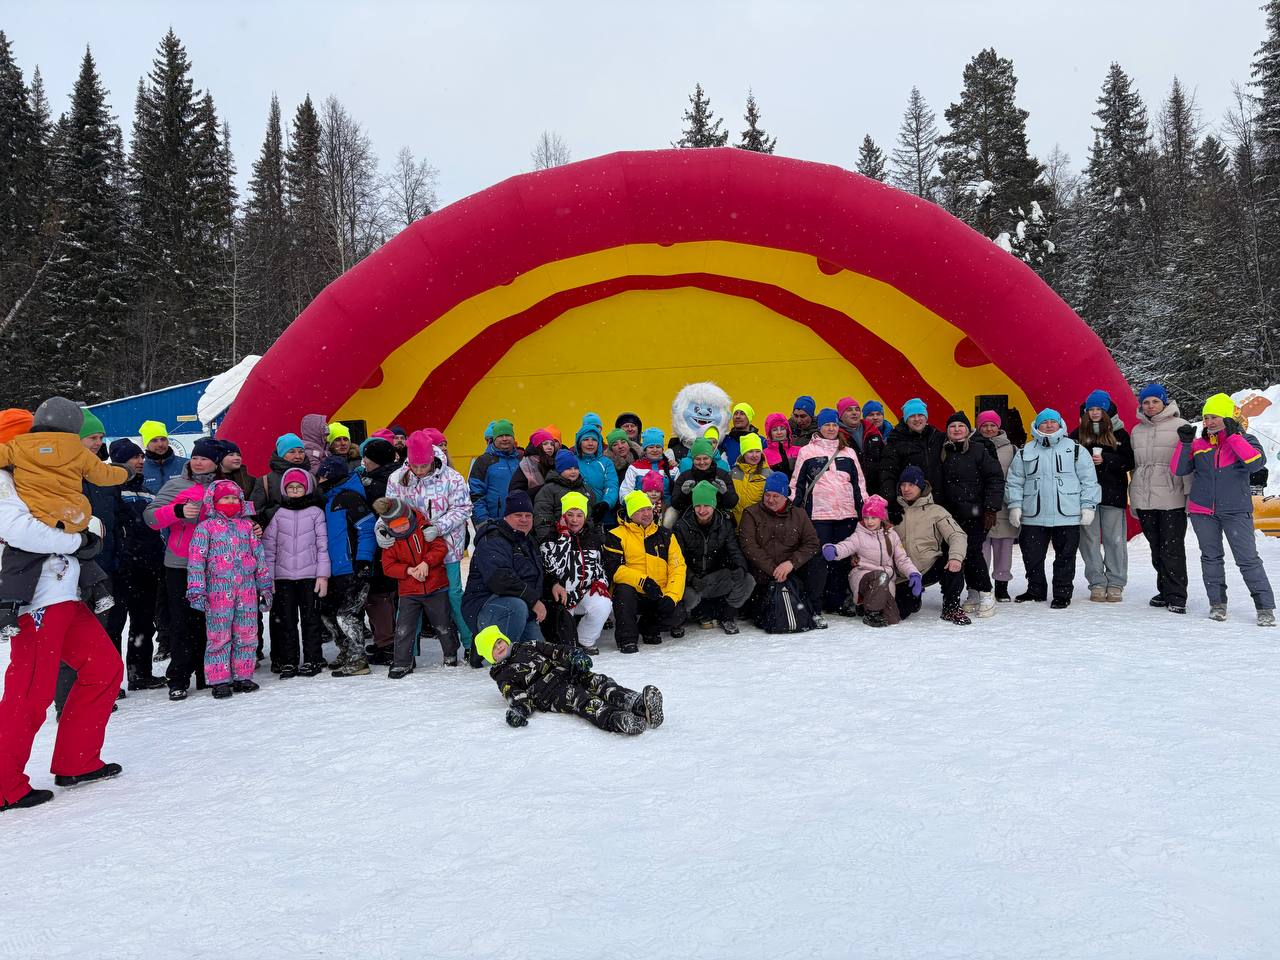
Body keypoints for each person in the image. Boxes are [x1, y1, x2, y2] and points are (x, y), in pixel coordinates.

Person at [0, 408, 123, 811]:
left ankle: (77, 761)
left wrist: (87, 534)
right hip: (33, 597)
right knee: (30, 691)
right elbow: (17, 530)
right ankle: (4, 785)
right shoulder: (3, 480)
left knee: (104, 669)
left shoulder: (39, 477)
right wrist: (78, 542)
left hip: (64, 591)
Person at [0, 397, 129, 637]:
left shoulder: (17, 447)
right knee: (80, 547)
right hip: (73, 515)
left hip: (40, 512)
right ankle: (99, 588)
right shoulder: (77, 452)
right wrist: (126, 472)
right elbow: (103, 474)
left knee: (17, 560)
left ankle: (8, 607)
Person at [1174, 393, 1275, 626]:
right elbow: (1180, 470)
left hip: (1236, 510)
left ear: (1228, 417)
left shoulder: (1246, 439)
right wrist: (1185, 443)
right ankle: (1217, 604)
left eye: (1214, 417)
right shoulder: (1200, 444)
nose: (1208, 422)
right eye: (1206, 417)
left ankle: (1265, 607)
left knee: (1248, 559)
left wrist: (1232, 436)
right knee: (1211, 558)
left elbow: (1255, 463)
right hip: (1202, 511)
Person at [145, 437, 226, 699]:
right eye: (195, 457)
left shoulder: (224, 486)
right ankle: (178, 677)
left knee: (212, 622)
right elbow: (151, 517)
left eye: (204, 458)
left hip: (216, 564)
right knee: (181, 622)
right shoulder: (176, 485)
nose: (198, 462)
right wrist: (177, 511)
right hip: (181, 564)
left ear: (215, 462)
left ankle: (210, 673)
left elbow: (239, 516)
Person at [383, 431, 474, 661]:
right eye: (415, 465)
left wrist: (440, 526)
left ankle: (472, 643)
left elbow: (464, 507)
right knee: (410, 601)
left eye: (424, 466)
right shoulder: (397, 478)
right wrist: (381, 529)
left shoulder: (452, 478)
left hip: (447, 548)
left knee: (452, 594)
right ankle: (407, 654)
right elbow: (389, 510)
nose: (420, 470)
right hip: (410, 551)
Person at [474, 625, 663, 735]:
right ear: (490, 657)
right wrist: (519, 710)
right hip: (550, 693)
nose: (499, 647)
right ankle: (618, 720)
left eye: (499, 641)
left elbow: (554, 649)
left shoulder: (528, 645)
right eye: (493, 648)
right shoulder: (503, 676)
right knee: (584, 700)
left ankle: (637, 703)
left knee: (600, 682)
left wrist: (574, 656)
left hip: (566, 672)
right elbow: (516, 695)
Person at [184, 481, 272, 700]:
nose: (231, 502)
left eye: (234, 498)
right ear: (214, 502)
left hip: (247, 589)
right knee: (219, 636)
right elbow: (196, 560)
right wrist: (197, 589)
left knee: (247, 634)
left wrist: (265, 585)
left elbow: (259, 557)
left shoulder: (247, 527)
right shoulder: (206, 528)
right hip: (217, 591)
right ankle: (219, 679)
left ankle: (243, 675)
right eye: (225, 498)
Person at [1004, 409, 1100, 609]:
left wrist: (1088, 506)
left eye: (1052, 422)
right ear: (1037, 426)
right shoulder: (1025, 451)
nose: (1048, 425)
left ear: (1060, 424)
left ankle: (1062, 593)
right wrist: (1014, 506)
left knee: (1065, 557)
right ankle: (1036, 590)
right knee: (1031, 556)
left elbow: (1089, 481)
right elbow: (1014, 482)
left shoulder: (1075, 450)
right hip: (1033, 515)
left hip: (1067, 515)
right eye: (1044, 422)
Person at [791, 407, 868, 612]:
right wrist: (793, 507)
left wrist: (865, 508)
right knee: (819, 560)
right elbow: (797, 484)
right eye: (827, 425)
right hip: (819, 515)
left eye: (834, 424)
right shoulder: (807, 451)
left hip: (847, 514)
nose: (831, 428)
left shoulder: (848, 451)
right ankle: (817, 602)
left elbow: (859, 483)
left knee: (842, 559)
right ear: (820, 427)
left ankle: (838, 601)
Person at [106, 438, 167, 688]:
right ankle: (109, 682)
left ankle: (140, 674)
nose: (140, 461)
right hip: (120, 567)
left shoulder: (146, 490)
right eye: (134, 457)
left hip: (148, 566)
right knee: (113, 626)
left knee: (143, 623)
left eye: (141, 457)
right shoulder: (109, 487)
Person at [373, 497, 457, 676]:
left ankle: (450, 654)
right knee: (404, 628)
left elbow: (440, 548)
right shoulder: (390, 542)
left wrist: (427, 563)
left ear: (409, 517)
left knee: (443, 624)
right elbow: (388, 567)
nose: (401, 528)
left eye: (403, 523)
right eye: (396, 526)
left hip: (436, 587)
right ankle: (402, 661)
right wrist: (408, 571)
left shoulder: (424, 529)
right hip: (409, 592)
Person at [1129, 384, 1191, 614]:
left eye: (1155, 401)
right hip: (1144, 496)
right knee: (1156, 547)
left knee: (1172, 548)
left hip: (1171, 495)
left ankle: (1177, 595)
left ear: (1164, 402)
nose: (1150, 406)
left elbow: (1188, 463)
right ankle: (1164, 589)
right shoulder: (1137, 431)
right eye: (1146, 402)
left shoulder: (1180, 426)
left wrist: (1188, 496)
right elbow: (1136, 466)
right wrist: (1134, 497)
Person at [261, 467, 329, 678]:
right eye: (291, 487)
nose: (295, 490)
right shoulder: (278, 514)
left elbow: (322, 546)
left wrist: (323, 575)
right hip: (283, 578)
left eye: (299, 486)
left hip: (310, 576)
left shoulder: (316, 512)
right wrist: (269, 578)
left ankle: (312, 659)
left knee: (311, 620)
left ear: (307, 488)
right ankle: (288, 661)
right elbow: (269, 548)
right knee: (286, 622)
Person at [738, 472, 828, 629]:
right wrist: (774, 570)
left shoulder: (799, 514)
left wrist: (791, 563)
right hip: (763, 573)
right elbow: (749, 546)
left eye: (776, 496)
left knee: (817, 561)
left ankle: (814, 610)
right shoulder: (751, 513)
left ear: (785, 496)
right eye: (767, 495)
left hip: (792, 570)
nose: (770, 500)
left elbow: (812, 543)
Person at [936, 411, 1004, 618]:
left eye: (961, 426)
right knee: (954, 555)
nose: (957, 430)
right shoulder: (942, 452)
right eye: (952, 427)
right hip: (949, 516)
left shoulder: (979, 450)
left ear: (968, 430)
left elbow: (995, 479)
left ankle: (985, 592)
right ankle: (971, 593)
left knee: (972, 553)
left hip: (975, 514)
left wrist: (991, 508)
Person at [604, 490, 687, 652]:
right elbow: (614, 569)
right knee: (623, 591)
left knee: (678, 612)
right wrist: (643, 581)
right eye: (640, 510)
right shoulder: (616, 535)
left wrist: (671, 596)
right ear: (630, 513)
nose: (646, 514)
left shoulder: (666, 535)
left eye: (648, 509)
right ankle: (627, 638)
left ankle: (649, 628)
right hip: (633, 592)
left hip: (659, 592)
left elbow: (678, 568)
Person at [821, 494, 920, 627]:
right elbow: (846, 546)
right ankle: (871, 613)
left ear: (881, 518)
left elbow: (902, 559)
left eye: (873, 517)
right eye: (866, 517)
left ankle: (865, 607)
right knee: (881, 576)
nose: (869, 521)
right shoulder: (859, 535)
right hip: (864, 577)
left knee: (893, 619)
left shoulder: (892, 535)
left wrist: (914, 574)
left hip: (885, 581)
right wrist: (833, 550)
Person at [316, 456, 376, 675]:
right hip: (334, 569)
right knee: (329, 613)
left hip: (353, 567)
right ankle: (346, 651)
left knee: (347, 614)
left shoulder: (350, 498)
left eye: (322, 475)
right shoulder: (330, 499)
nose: (319, 479)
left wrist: (363, 560)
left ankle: (358, 658)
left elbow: (367, 529)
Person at [461, 491, 546, 645]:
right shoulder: (493, 539)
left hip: (520, 606)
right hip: (485, 605)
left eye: (528, 515)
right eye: (518, 515)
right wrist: (533, 601)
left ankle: (507, 648)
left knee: (539, 652)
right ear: (506, 516)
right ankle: (488, 646)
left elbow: (537, 573)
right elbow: (500, 579)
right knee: (516, 607)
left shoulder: (528, 540)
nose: (524, 520)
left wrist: (553, 584)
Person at [1075, 390, 1135, 603]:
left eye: (1099, 409)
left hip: (1113, 494)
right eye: (1091, 409)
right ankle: (1097, 583)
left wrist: (1107, 459)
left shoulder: (1120, 434)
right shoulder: (1078, 433)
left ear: (1107, 410)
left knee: (1114, 540)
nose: (1094, 413)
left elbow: (1129, 461)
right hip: (1086, 498)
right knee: (1089, 541)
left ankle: (1116, 582)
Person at [674, 481, 755, 634]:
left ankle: (727, 615)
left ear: (714, 505)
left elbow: (734, 550)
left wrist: (740, 567)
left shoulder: (724, 524)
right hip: (691, 580)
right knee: (688, 597)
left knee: (747, 580)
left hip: (714, 577)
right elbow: (678, 559)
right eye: (698, 506)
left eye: (707, 506)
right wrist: (691, 578)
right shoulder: (682, 526)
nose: (702, 510)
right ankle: (680, 619)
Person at [892, 466, 970, 624]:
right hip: (904, 574)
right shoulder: (892, 510)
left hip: (930, 567)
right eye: (903, 484)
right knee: (900, 613)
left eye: (911, 485)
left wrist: (956, 558)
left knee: (954, 564)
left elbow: (957, 534)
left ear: (921, 486)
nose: (906, 489)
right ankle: (914, 598)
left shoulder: (936, 511)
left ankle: (951, 608)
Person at [539, 491, 612, 654]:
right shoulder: (550, 538)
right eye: (570, 515)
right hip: (560, 597)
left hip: (584, 592)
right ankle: (569, 642)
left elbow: (600, 568)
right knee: (565, 643)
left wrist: (602, 582)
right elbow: (554, 568)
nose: (574, 520)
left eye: (579, 515)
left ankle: (585, 640)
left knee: (603, 602)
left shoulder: (593, 538)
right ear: (563, 516)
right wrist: (564, 537)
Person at [357, 437, 401, 659]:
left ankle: (386, 643)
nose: (364, 461)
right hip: (393, 544)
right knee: (388, 593)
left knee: (378, 594)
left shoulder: (376, 484)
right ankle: (388, 639)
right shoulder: (394, 476)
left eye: (367, 457)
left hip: (379, 545)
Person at [975, 410, 1018, 602]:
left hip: (1004, 505)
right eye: (985, 425)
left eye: (992, 425)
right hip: (980, 505)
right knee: (980, 549)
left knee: (1004, 549)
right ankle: (982, 585)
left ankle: (1002, 586)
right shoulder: (972, 445)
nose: (989, 429)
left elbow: (1016, 477)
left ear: (999, 427)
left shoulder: (1012, 449)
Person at [879, 398, 945, 519]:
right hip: (909, 502)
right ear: (906, 419)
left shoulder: (937, 437)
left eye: (920, 415)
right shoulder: (895, 441)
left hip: (937, 501)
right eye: (912, 416)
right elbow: (887, 473)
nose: (917, 419)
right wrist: (891, 500)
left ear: (926, 417)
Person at [533, 449, 598, 541]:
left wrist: (590, 534)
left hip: (582, 539)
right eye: (568, 469)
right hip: (557, 537)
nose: (573, 471)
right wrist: (546, 539)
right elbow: (542, 516)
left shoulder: (585, 489)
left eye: (576, 468)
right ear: (559, 470)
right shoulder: (549, 490)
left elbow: (590, 516)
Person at [468, 418, 522, 528]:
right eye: (500, 436)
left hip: (520, 522)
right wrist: (483, 521)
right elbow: (475, 494)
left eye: (508, 435)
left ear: (513, 438)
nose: (505, 439)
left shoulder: (521, 460)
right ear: (494, 438)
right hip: (494, 523)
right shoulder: (484, 461)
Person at [251, 433, 308, 528]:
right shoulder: (265, 481)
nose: (298, 456)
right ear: (281, 454)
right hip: (274, 536)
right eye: (292, 452)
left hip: (306, 536)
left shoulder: (311, 478)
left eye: (301, 451)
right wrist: (279, 509)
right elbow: (253, 513)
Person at [671, 439, 738, 516]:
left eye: (705, 458)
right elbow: (675, 505)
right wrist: (683, 494)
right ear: (692, 460)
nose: (702, 462)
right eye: (698, 459)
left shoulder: (723, 476)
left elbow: (732, 504)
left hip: (718, 519)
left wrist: (725, 493)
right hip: (690, 519)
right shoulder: (684, 477)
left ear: (711, 458)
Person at [572, 421, 619, 525]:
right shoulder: (572, 461)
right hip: (575, 515)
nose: (590, 443)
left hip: (601, 514)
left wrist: (605, 503)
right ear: (579, 443)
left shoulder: (606, 463)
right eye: (586, 439)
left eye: (594, 440)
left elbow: (611, 485)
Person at [620, 428, 677, 499]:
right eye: (651, 447)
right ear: (645, 449)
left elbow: (678, 493)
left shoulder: (672, 468)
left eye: (658, 447)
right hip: (641, 508)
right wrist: (637, 505)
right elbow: (625, 492)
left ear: (662, 449)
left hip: (666, 508)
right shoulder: (635, 468)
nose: (655, 450)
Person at [729, 433, 771, 524]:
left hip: (758, 525)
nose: (755, 455)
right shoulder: (733, 473)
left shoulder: (768, 474)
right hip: (736, 524)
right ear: (743, 453)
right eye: (750, 451)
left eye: (757, 451)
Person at [140, 420, 187, 495]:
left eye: (163, 439)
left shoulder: (186, 465)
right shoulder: (140, 470)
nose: (160, 444)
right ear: (146, 444)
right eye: (154, 440)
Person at [508, 429, 557, 494]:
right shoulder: (526, 465)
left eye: (552, 444)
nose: (550, 447)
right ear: (536, 447)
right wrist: (544, 489)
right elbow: (515, 493)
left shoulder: (555, 463)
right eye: (545, 444)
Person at [762, 413, 799, 478]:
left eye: (782, 428)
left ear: (787, 430)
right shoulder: (764, 455)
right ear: (769, 433)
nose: (779, 432)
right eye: (774, 430)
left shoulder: (799, 451)